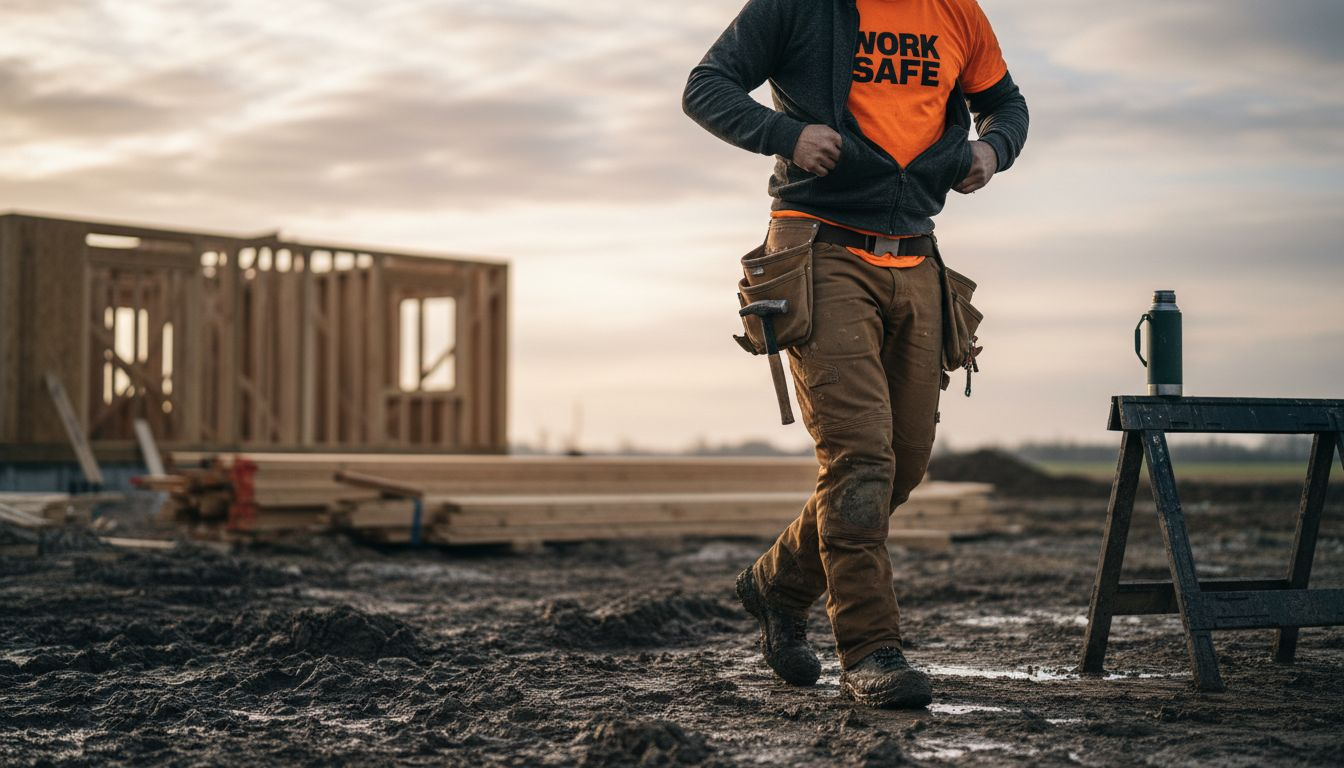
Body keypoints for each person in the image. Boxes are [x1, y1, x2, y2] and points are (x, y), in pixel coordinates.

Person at [682, 0, 1028, 708]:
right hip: (820, 248)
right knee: (860, 462)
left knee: (902, 465)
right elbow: (706, 86)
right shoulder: (797, 6)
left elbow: (1006, 105)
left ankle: (778, 583)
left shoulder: (958, 12)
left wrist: (991, 151)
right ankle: (870, 651)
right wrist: (785, 132)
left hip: (917, 255)